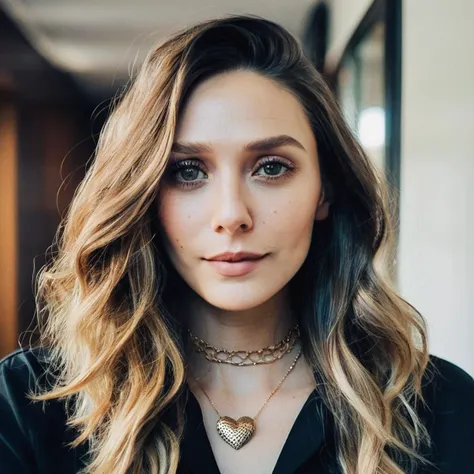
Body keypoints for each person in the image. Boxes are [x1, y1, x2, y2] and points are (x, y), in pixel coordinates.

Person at [0, 15, 473, 474]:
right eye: (187, 171)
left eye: (270, 167)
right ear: (143, 194)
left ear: (324, 190)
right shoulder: (27, 405)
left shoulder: (443, 408)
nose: (231, 215)